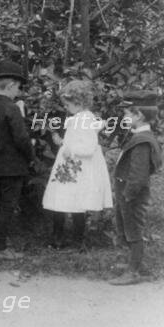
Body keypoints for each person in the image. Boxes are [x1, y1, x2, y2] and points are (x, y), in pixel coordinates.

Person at [43, 80, 113, 249]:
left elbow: (88, 147)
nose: (66, 107)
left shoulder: (82, 119)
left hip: (75, 168)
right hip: (72, 168)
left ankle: (66, 240)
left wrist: (68, 148)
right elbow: (82, 138)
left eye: (68, 104)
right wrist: (63, 143)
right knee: (72, 202)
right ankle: (71, 240)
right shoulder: (83, 117)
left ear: (79, 102)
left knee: (67, 202)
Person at [109, 91, 162, 286]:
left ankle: (133, 271)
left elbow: (138, 175)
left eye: (127, 114)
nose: (124, 117)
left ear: (138, 115)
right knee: (127, 228)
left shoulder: (142, 141)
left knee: (134, 231)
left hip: (132, 195)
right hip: (127, 193)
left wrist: (128, 195)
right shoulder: (140, 137)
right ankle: (132, 264)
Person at [0, 60, 35, 261]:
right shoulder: (12, 108)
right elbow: (21, 138)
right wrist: (31, 157)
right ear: (11, 86)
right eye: (18, 87)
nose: (19, 92)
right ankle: (0, 248)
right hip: (13, 165)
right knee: (7, 206)